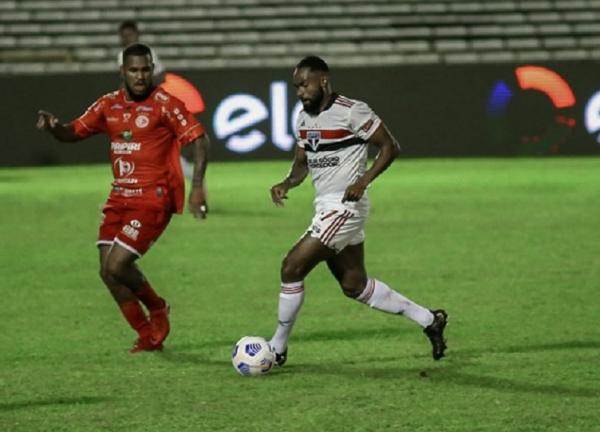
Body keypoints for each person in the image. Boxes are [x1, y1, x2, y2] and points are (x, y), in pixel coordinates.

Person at [268, 56, 448, 365]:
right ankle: (430, 320)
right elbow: (301, 166)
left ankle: (277, 348)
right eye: (296, 86)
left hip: (345, 208)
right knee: (355, 285)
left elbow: (390, 147)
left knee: (291, 267)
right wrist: (287, 183)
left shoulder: (352, 110)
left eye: (304, 84)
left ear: (323, 80)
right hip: (325, 207)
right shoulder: (303, 119)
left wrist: (363, 180)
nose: (300, 92)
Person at [36, 43, 210, 353]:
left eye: (146, 69)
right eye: (134, 70)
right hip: (120, 198)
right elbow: (74, 131)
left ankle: (157, 308)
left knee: (117, 266)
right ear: (122, 72)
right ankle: (147, 335)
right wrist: (54, 128)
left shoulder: (165, 104)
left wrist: (196, 186)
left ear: (152, 68)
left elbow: (199, 139)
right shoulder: (108, 105)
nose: (141, 76)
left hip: (154, 199)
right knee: (107, 272)